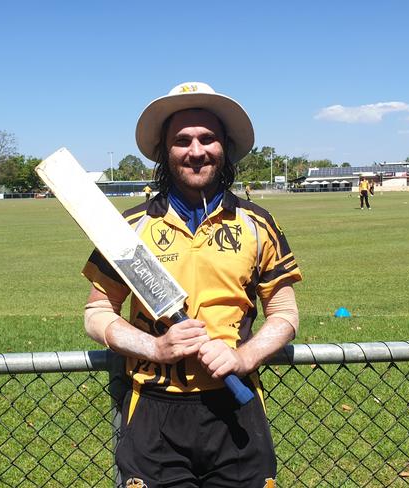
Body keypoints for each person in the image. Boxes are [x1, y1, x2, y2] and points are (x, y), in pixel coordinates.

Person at [82, 82, 302, 487]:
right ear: (165, 151)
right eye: (182, 140)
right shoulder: (129, 230)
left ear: (225, 147)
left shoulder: (257, 224)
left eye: (207, 138)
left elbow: (286, 314)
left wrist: (245, 357)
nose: (196, 150)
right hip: (153, 412)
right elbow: (96, 314)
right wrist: (154, 347)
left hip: (236, 409)